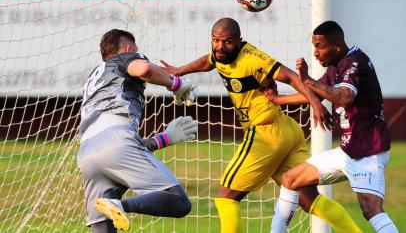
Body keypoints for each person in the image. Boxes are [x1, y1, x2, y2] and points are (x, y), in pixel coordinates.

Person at [160, 17, 361, 233]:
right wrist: (179, 70)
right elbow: (208, 61)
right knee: (308, 199)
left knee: (226, 197)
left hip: (265, 133)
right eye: (216, 40)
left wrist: (315, 103)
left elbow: (293, 78)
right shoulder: (220, 55)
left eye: (227, 41)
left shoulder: (254, 59)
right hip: (285, 131)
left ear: (239, 41)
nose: (220, 46)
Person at [266, 21, 398, 232]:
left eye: (320, 46)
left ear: (337, 45)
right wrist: (277, 100)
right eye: (314, 47)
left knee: (371, 209)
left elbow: (345, 97)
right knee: (291, 180)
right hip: (348, 151)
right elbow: (316, 93)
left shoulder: (355, 62)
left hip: (368, 151)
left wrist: (309, 80)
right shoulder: (336, 66)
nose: (316, 53)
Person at [77, 29, 199, 233]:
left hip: (87, 154)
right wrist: (176, 83)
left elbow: (114, 147)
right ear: (128, 49)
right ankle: (120, 205)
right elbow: (143, 69)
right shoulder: (126, 57)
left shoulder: (95, 77)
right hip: (116, 141)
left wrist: (163, 139)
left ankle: (113, 206)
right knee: (178, 201)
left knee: (101, 227)